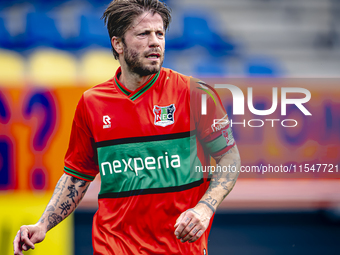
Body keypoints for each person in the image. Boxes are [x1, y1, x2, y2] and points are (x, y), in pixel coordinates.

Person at [13, 0, 241, 254]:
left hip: (180, 248)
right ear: (117, 44)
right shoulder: (92, 103)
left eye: (160, 34)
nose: (155, 41)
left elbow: (229, 156)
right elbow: (78, 176)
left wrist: (205, 207)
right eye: (144, 34)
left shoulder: (194, 93)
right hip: (113, 246)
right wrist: (43, 224)